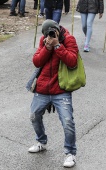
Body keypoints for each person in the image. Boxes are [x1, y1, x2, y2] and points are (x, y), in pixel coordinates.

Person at [28, 19, 78, 168]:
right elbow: (37, 61)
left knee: (68, 121)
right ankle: (41, 141)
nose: (50, 36)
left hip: (61, 89)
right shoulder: (44, 40)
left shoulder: (69, 39)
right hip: (43, 88)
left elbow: (72, 61)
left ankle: (70, 154)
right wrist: (47, 48)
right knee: (34, 116)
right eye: (47, 35)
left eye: (52, 33)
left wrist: (57, 45)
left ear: (57, 30)